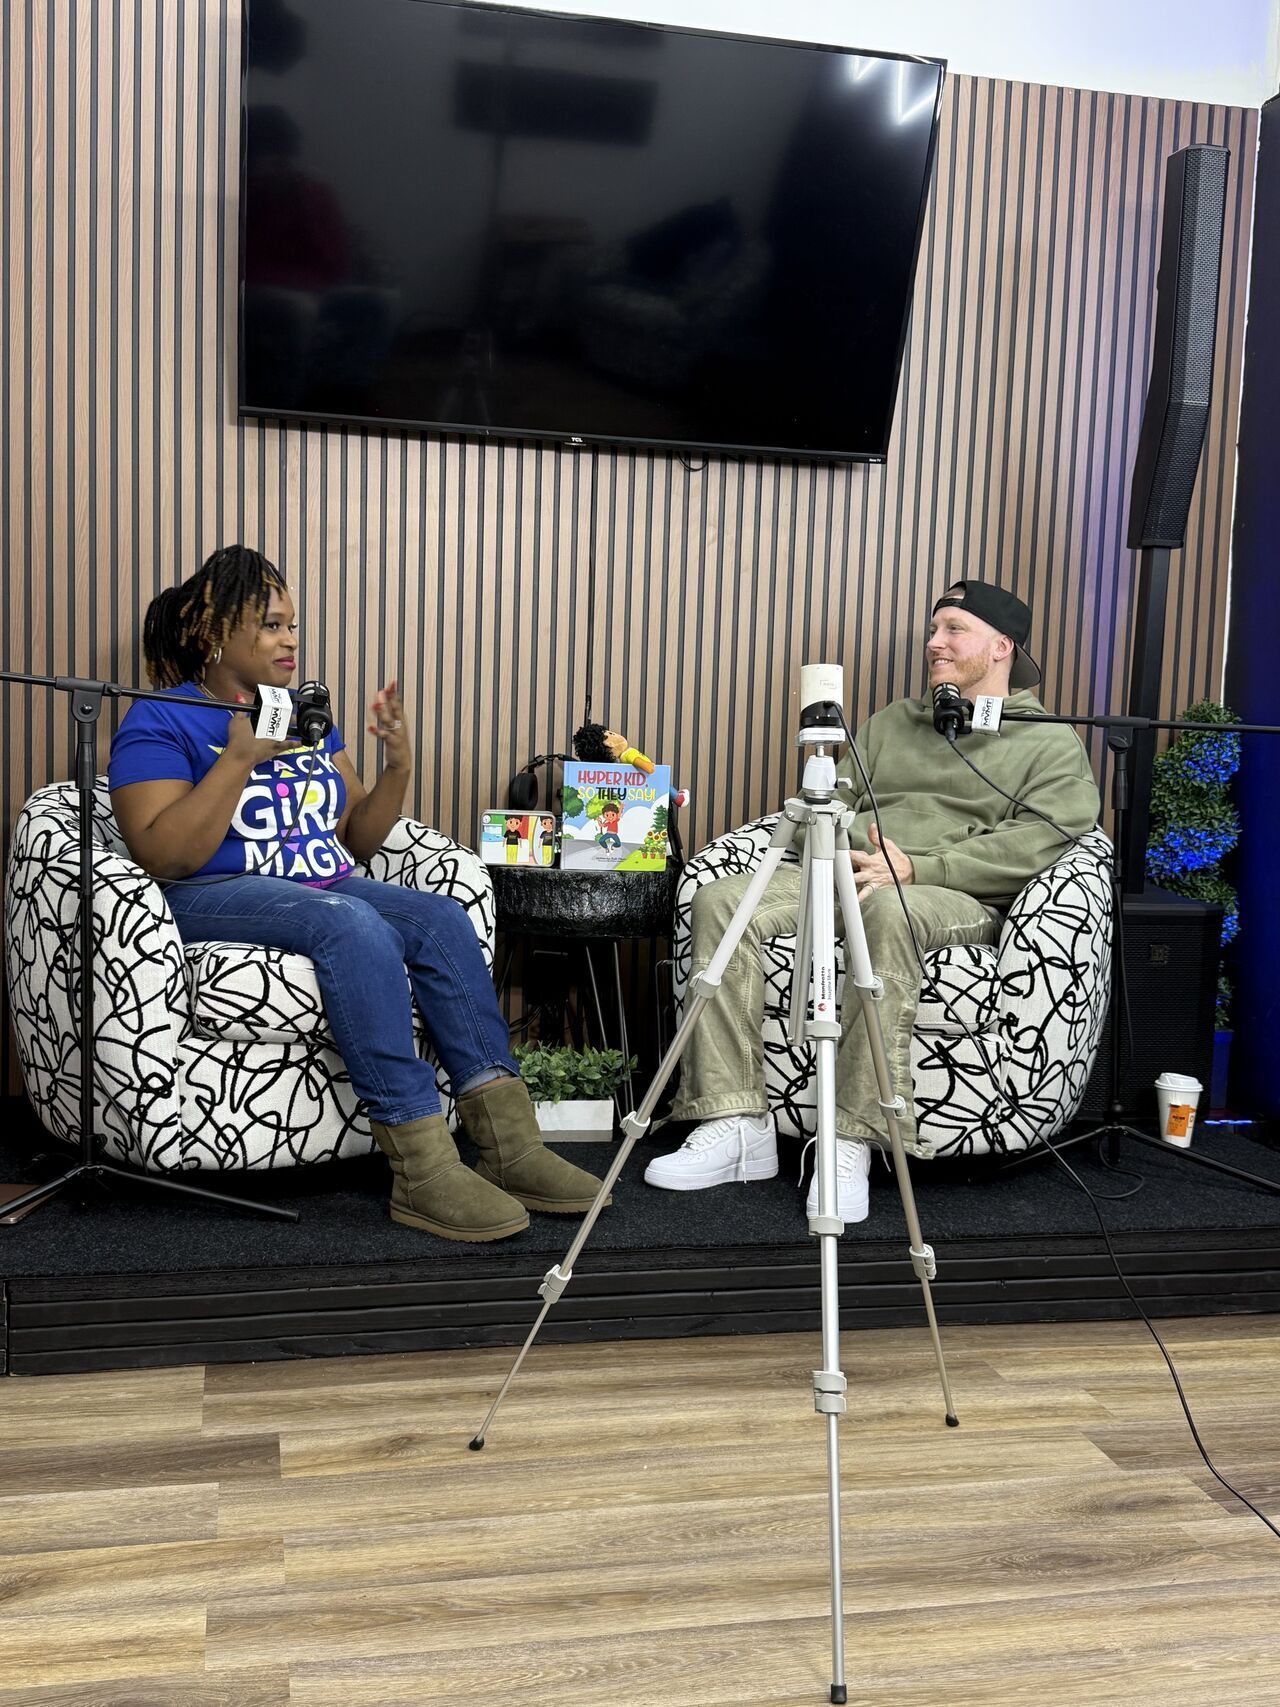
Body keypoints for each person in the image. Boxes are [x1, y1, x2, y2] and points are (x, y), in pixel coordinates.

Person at [108, 545, 606, 1242]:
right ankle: (423, 1169)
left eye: (293, 624)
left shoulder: (303, 717)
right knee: (351, 922)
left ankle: (510, 1148)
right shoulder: (160, 718)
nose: (292, 639)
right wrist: (238, 758)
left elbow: (359, 838)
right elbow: (163, 855)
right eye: (273, 624)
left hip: (321, 884)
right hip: (210, 893)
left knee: (437, 918)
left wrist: (397, 766)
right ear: (217, 633)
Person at [645, 580, 1102, 1224]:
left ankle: (851, 1139)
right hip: (849, 873)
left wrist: (922, 865)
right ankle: (737, 1123)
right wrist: (857, 839)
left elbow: (1053, 836)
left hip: (949, 894)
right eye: (933, 629)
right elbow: (833, 806)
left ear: (1003, 646)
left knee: (886, 912)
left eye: (953, 630)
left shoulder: (1048, 741)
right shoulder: (892, 722)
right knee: (724, 901)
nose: (933, 643)